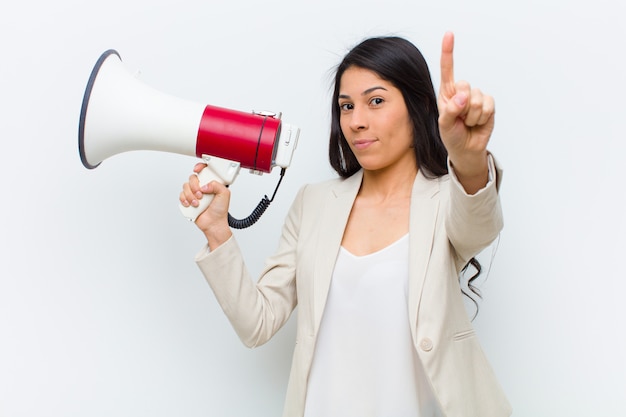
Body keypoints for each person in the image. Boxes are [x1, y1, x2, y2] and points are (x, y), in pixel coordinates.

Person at [180, 32, 511, 417]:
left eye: (376, 101)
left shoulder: (447, 199)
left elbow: (479, 226)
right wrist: (218, 231)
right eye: (346, 106)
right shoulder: (314, 204)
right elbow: (258, 322)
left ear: (418, 106)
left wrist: (469, 159)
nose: (356, 121)